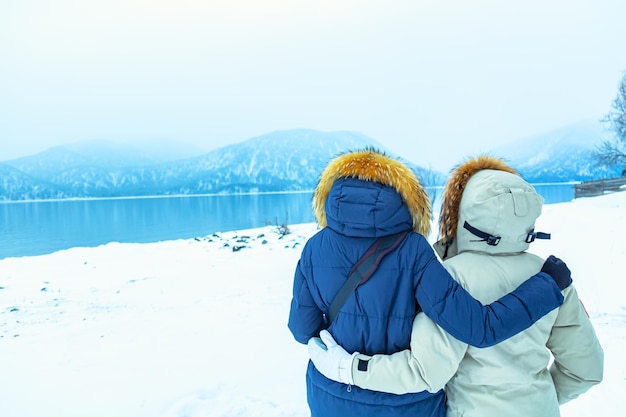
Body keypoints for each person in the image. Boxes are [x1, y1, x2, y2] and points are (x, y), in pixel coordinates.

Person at [307, 155, 604, 417]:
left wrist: (348, 367)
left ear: (460, 214)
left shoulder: (450, 276)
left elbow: (422, 372)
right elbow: (586, 371)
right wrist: (536, 400)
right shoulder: (553, 277)